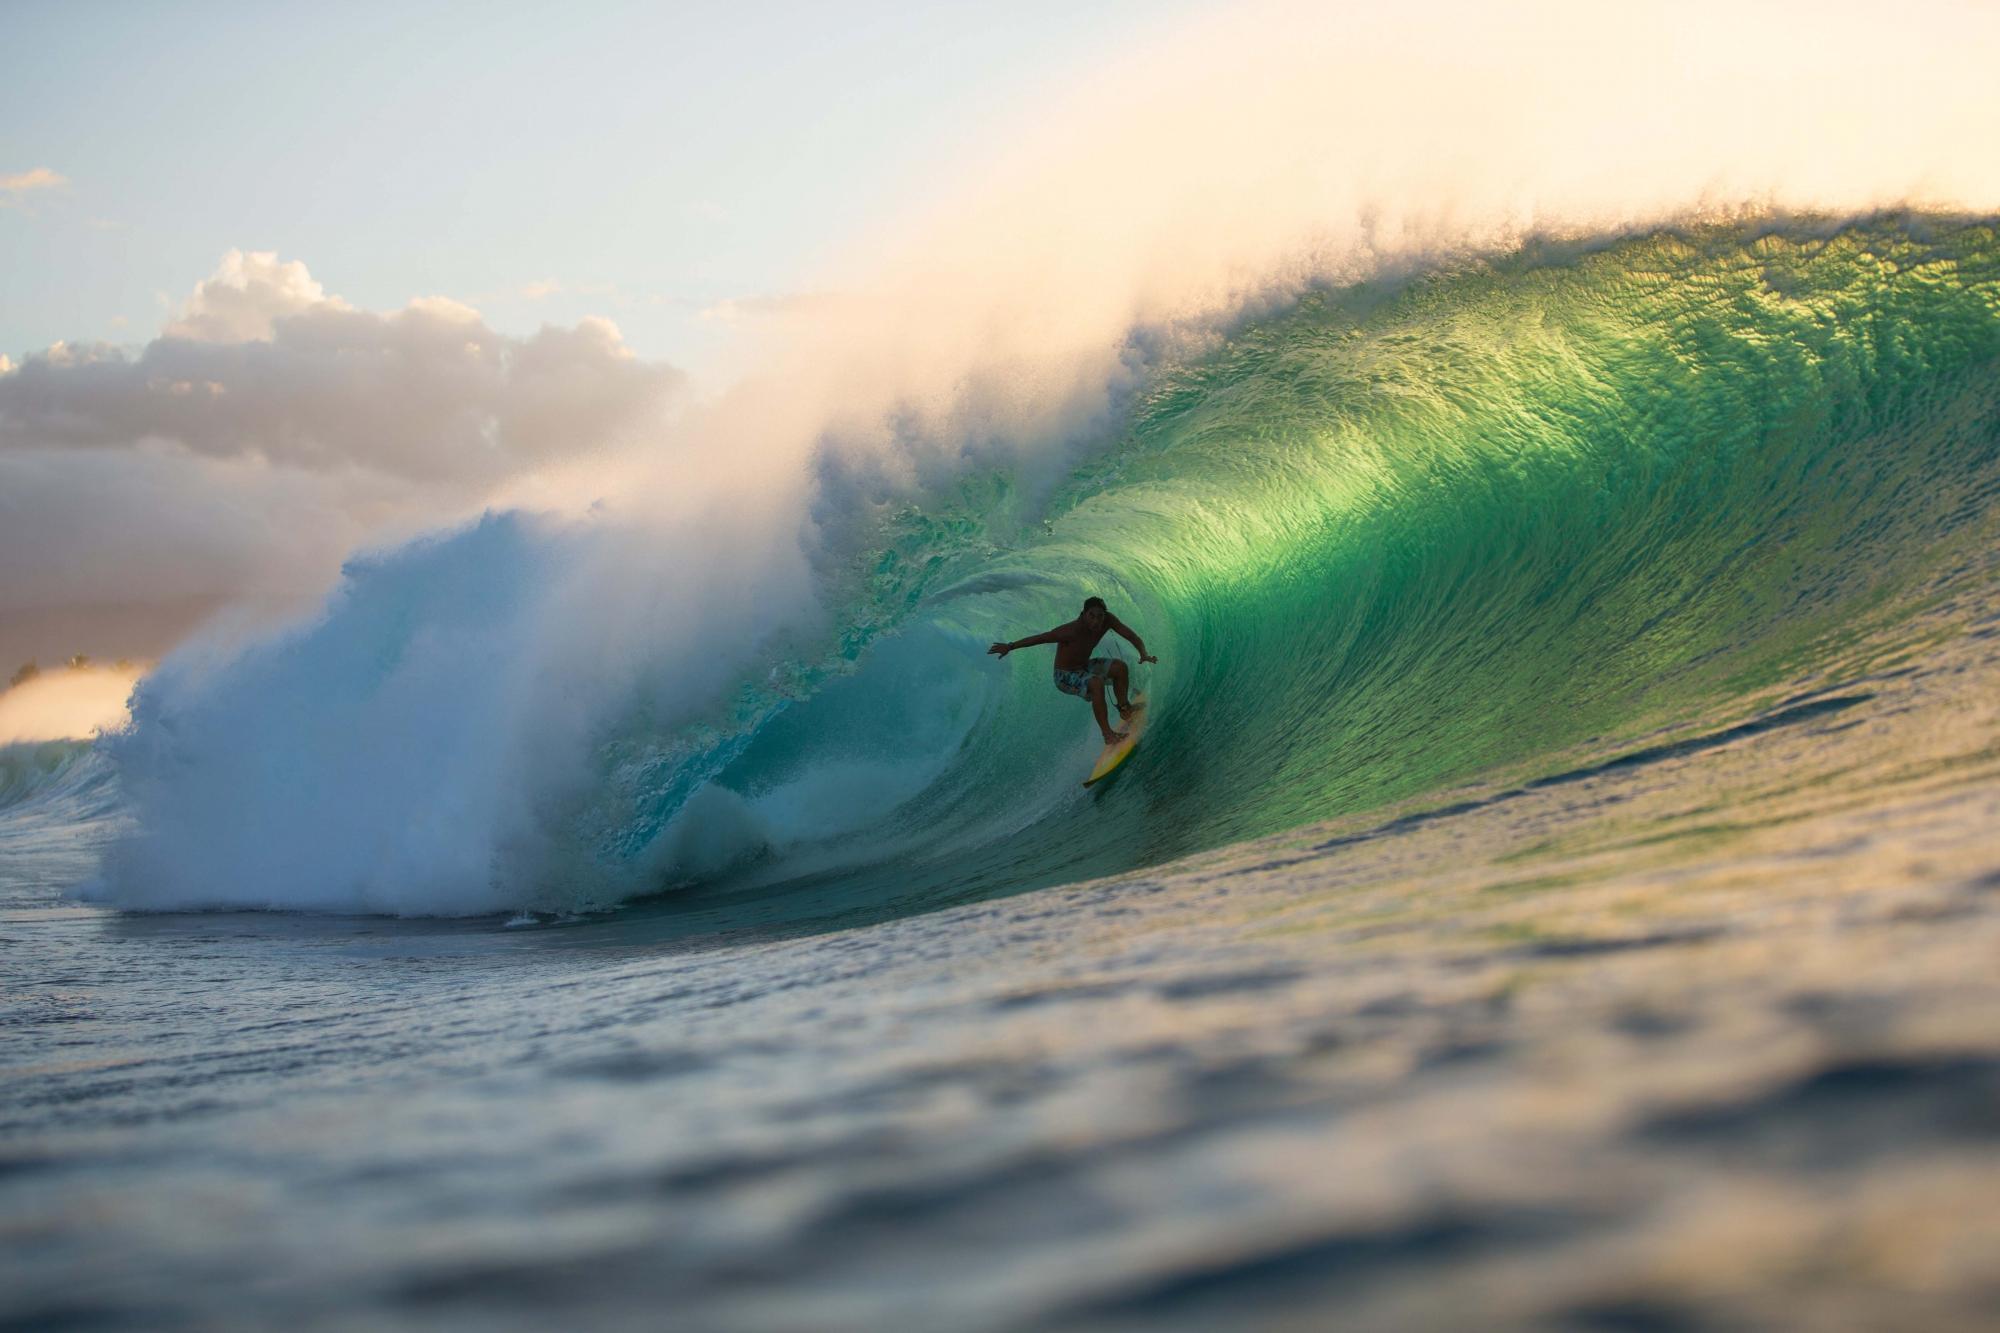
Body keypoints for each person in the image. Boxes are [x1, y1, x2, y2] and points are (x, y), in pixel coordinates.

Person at [989, 596, 1157, 745]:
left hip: (1084, 666)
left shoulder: (1108, 621)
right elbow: (1041, 638)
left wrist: (1143, 653)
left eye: (1100, 616)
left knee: (1120, 667)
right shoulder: (1070, 631)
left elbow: (1131, 636)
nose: (1096, 621)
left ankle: (1125, 709)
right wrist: (1010, 646)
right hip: (1064, 675)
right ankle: (1108, 735)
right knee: (1096, 683)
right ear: (1083, 614)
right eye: (1092, 615)